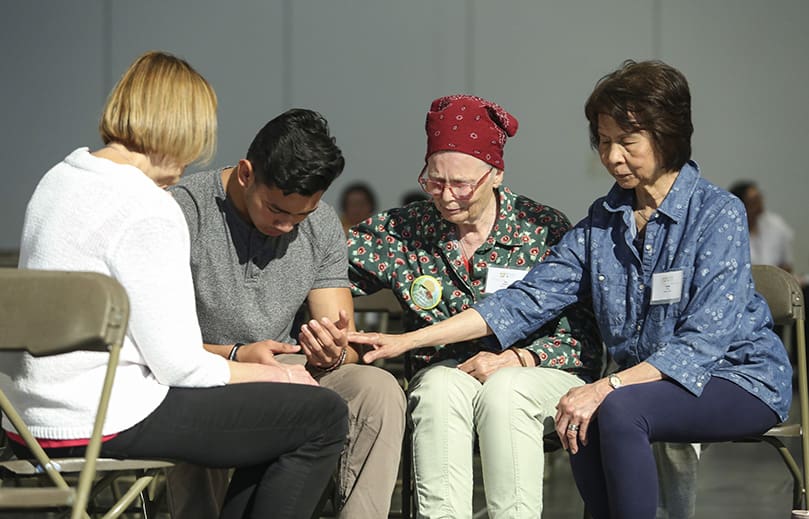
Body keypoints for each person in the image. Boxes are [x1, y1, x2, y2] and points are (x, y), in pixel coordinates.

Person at [349, 61, 792, 519]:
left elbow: (703, 344)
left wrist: (608, 385)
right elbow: (523, 301)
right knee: (584, 407)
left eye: (627, 141)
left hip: (736, 378)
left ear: (667, 136)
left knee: (611, 408)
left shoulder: (717, 213)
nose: (612, 156)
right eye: (603, 141)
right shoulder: (601, 224)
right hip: (643, 387)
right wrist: (407, 341)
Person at [2, 51, 348, 519]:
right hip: (108, 416)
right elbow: (181, 368)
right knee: (320, 415)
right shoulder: (149, 206)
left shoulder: (58, 180)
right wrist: (276, 373)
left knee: (276, 420)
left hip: (27, 418)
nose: (195, 157)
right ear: (181, 128)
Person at [346, 94, 603, 518]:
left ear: (496, 174)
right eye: (434, 181)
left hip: (537, 376)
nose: (447, 197)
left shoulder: (543, 229)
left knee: (505, 392)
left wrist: (522, 357)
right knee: (436, 389)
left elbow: (585, 341)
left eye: (462, 184)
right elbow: (322, 263)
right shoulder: (405, 231)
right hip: (450, 373)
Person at [169, 108, 406, 519]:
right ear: (246, 174)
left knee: (377, 389)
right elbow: (156, 345)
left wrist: (329, 353)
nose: (288, 226)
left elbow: (343, 343)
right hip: (201, 367)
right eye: (277, 211)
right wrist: (235, 355)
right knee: (192, 390)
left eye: (303, 214)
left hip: (285, 369)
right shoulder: (184, 210)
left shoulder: (322, 225)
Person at [729, 180, 794, 272]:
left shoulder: (777, 225)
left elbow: (786, 265)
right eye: (753, 201)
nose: (759, 205)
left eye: (759, 198)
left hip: (773, 282)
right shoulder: (729, 231)